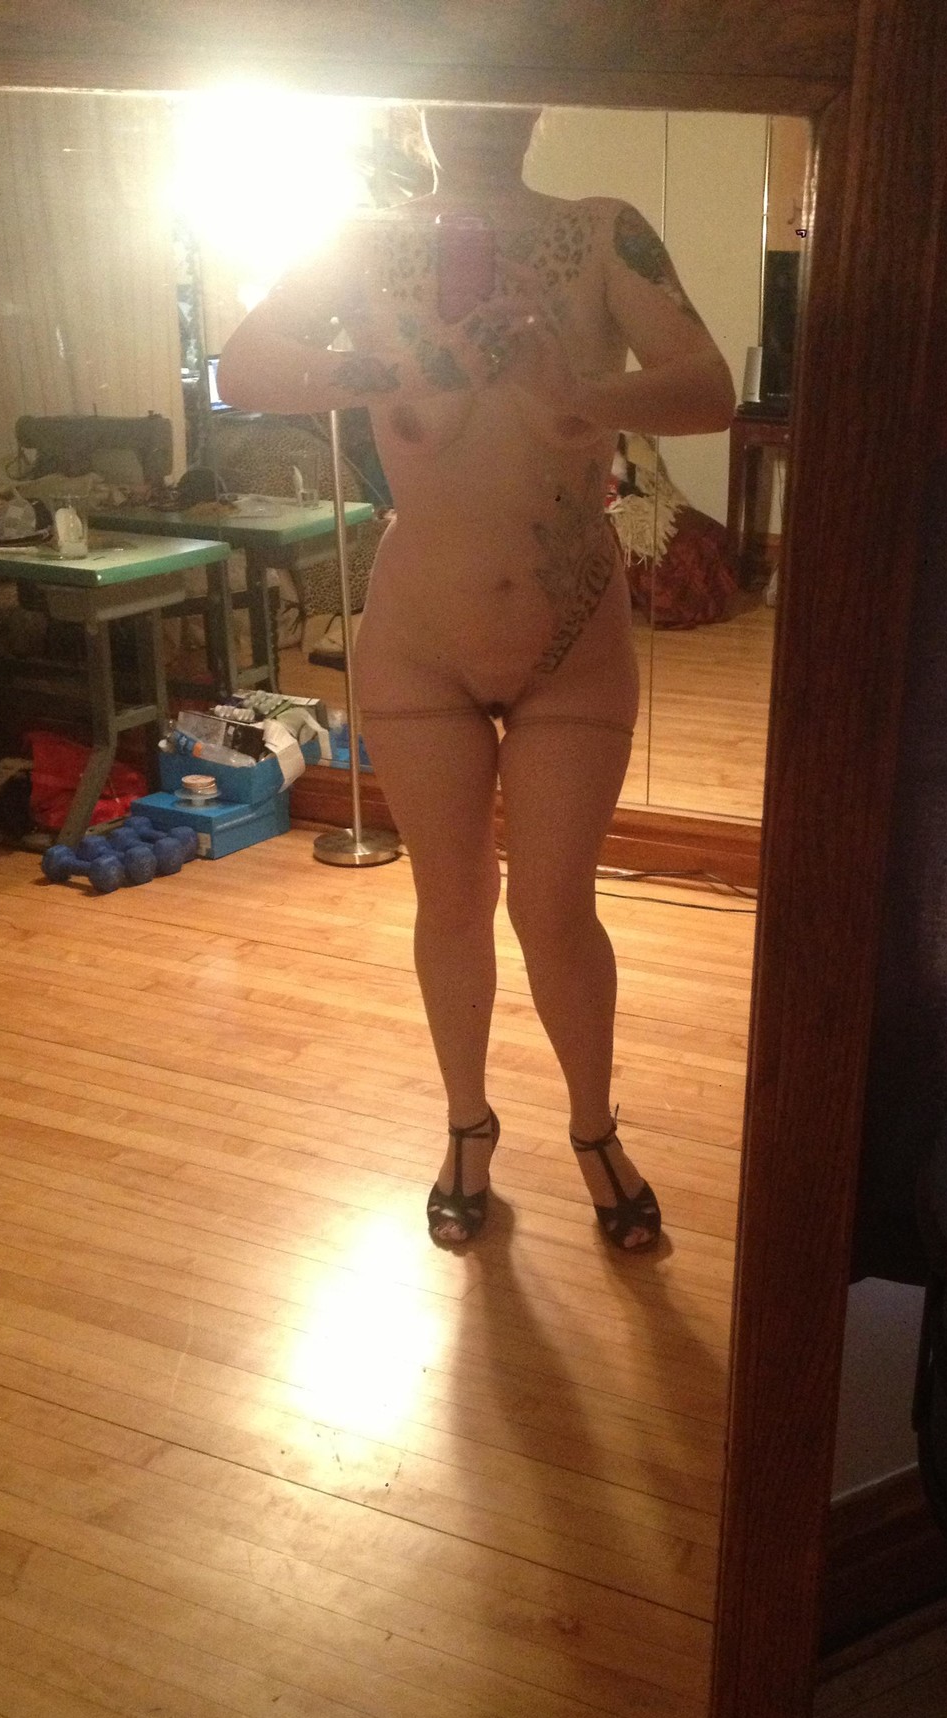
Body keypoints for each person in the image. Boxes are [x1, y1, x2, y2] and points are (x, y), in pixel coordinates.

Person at [219, 105, 735, 1250]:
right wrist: (397, 366)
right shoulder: (364, 240)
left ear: (534, 99)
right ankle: (467, 1124)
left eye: (502, 86)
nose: (479, 110)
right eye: (455, 88)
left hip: (571, 642)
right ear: (424, 102)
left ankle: (594, 1129)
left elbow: (710, 387)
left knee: (554, 908)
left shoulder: (601, 230)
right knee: (450, 900)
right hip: (421, 639)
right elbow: (244, 363)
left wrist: (579, 388)